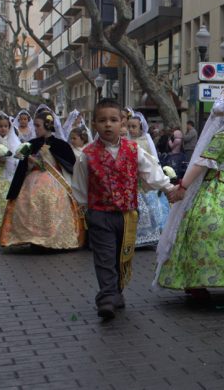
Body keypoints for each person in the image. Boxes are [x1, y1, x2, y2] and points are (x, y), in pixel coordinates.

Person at [72, 98, 177, 320]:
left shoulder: (134, 150)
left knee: (122, 256)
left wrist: (169, 187)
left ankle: (116, 291)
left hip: (127, 215)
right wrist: (83, 209)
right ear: (94, 124)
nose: (108, 125)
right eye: (102, 120)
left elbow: (151, 171)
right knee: (104, 256)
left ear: (122, 123)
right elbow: (80, 185)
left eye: (113, 120)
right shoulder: (87, 154)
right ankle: (107, 297)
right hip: (99, 214)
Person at [154, 92, 224, 298]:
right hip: (217, 190)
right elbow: (201, 163)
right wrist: (183, 187)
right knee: (221, 230)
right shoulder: (223, 138)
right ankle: (198, 280)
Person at [0, 110, 85, 250]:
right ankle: (32, 238)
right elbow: (21, 166)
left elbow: (71, 166)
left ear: (47, 125)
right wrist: (30, 161)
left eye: (38, 125)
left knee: (50, 199)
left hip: (55, 182)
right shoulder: (31, 144)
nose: (35, 128)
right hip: (32, 180)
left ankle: (51, 238)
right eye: (34, 125)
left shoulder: (61, 145)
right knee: (29, 200)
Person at [127, 112, 170, 248]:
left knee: (148, 207)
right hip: (131, 178)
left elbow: (152, 158)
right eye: (129, 127)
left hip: (144, 179)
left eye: (134, 127)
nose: (131, 130)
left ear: (140, 127)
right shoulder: (126, 142)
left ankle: (149, 236)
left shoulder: (146, 140)